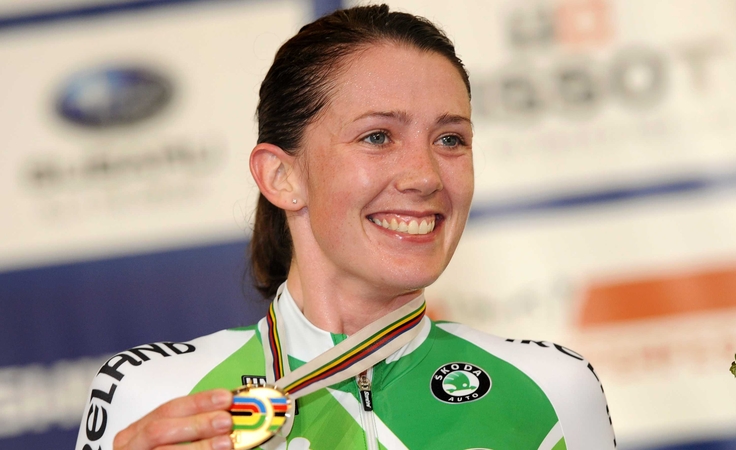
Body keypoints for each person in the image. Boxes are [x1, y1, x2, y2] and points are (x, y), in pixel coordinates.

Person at [75, 5, 615, 450]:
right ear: (282, 176)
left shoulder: (552, 388)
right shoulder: (154, 396)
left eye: (450, 139)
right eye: (378, 137)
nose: (424, 176)